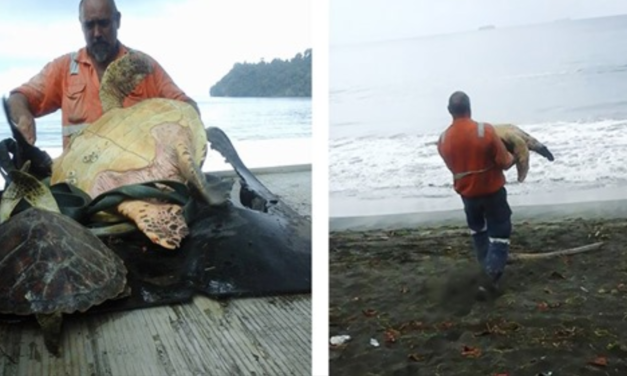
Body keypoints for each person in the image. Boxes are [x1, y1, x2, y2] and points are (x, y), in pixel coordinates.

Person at [6, 0, 200, 150]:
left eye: (104, 23)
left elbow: (187, 107)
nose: (97, 33)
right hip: (80, 182)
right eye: (89, 25)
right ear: (81, 25)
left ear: (118, 20)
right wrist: (23, 117)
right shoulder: (64, 69)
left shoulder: (143, 67)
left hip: (135, 179)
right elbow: (19, 97)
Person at [437, 91, 516, 297]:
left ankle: (484, 271)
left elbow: (454, 168)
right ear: (470, 107)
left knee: (479, 232)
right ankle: (488, 280)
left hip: (468, 197)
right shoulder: (485, 131)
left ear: (449, 111)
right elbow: (505, 163)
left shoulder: (443, 140)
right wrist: (515, 154)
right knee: (500, 232)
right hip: (492, 193)